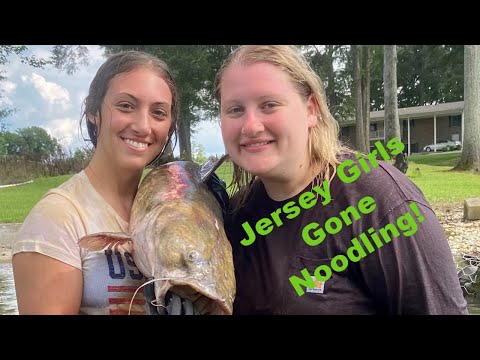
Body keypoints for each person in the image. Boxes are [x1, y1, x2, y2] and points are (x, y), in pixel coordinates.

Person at [215, 45, 468, 315]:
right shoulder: (236, 215)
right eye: (235, 110)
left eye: (269, 105)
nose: (251, 126)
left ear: (310, 110)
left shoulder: (379, 202)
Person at [12, 50, 192, 315]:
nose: (143, 126)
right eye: (126, 106)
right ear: (93, 111)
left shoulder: (170, 211)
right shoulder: (57, 219)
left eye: (158, 112)